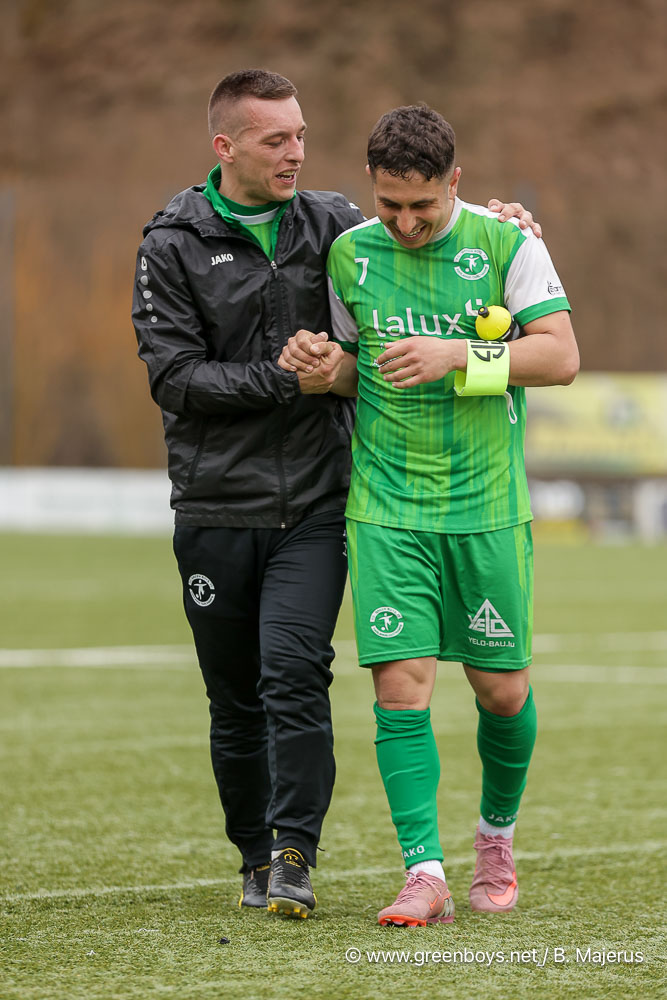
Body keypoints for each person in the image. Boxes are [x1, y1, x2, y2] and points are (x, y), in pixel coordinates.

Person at [132, 69, 541, 921]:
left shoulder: (334, 223)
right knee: (236, 697)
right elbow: (174, 379)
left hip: (325, 498)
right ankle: (265, 854)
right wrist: (296, 376)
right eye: (276, 139)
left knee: (297, 674)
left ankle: (298, 857)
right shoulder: (173, 240)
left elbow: (434, 253)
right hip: (217, 500)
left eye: (302, 136)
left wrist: (501, 230)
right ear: (226, 145)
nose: (296, 152)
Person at [279, 104, 579, 926]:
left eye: (422, 205)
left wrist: (457, 355)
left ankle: (495, 840)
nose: (405, 223)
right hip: (386, 505)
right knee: (399, 686)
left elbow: (559, 357)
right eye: (389, 205)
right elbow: (359, 369)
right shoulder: (351, 254)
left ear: (454, 182)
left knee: (502, 692)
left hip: (485, 505)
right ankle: (424, 872)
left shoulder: (506, 243)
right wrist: (326, 368)